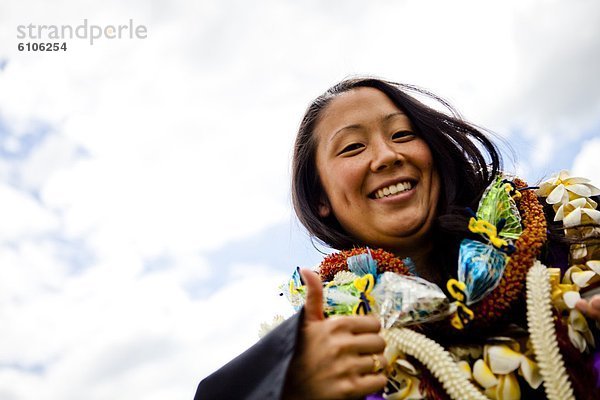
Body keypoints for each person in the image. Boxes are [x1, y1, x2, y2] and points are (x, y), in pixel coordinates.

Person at [195, 77, 600, 399]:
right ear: (321, 198)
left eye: (404, 134)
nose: (386, 156)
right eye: (353, 147)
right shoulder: (326, 354)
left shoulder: (570, 226)